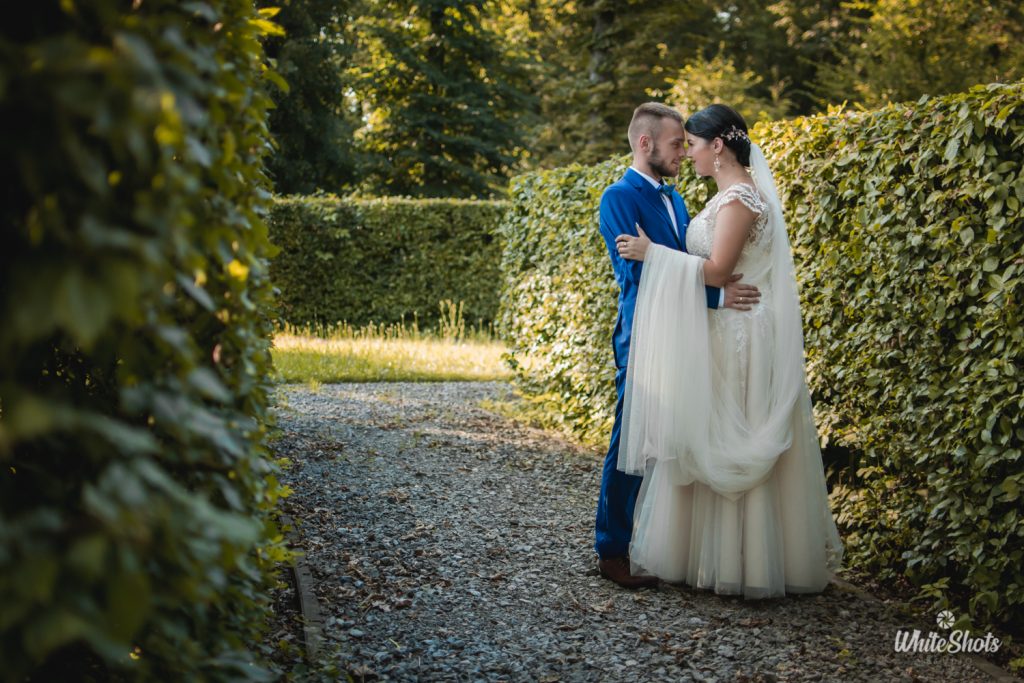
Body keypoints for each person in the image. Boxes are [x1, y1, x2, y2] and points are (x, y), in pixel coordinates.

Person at [614, 104, 844, 598]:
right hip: (721, 330)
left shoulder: (739, 197)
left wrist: (653, 253)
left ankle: (746, 562)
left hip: (741, 335)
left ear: (717, 145)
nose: (688, 154)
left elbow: (718, 271)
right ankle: (713, 556)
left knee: (732, 432)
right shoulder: (725, 196)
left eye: (693, 144)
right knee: (712, 432)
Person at [594, 102, 762, 588]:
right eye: (675, 145)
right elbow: (637, 273)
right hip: (643, 334)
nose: (683, 154)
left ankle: (671, 545)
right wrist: (717, 296)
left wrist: (712, 295)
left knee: (677, 439)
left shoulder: (677, 200)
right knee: (631, 439)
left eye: (686, 145)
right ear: (645, 143)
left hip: (684, 331)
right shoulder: (618, 198)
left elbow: (683, 261)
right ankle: (612, 549)